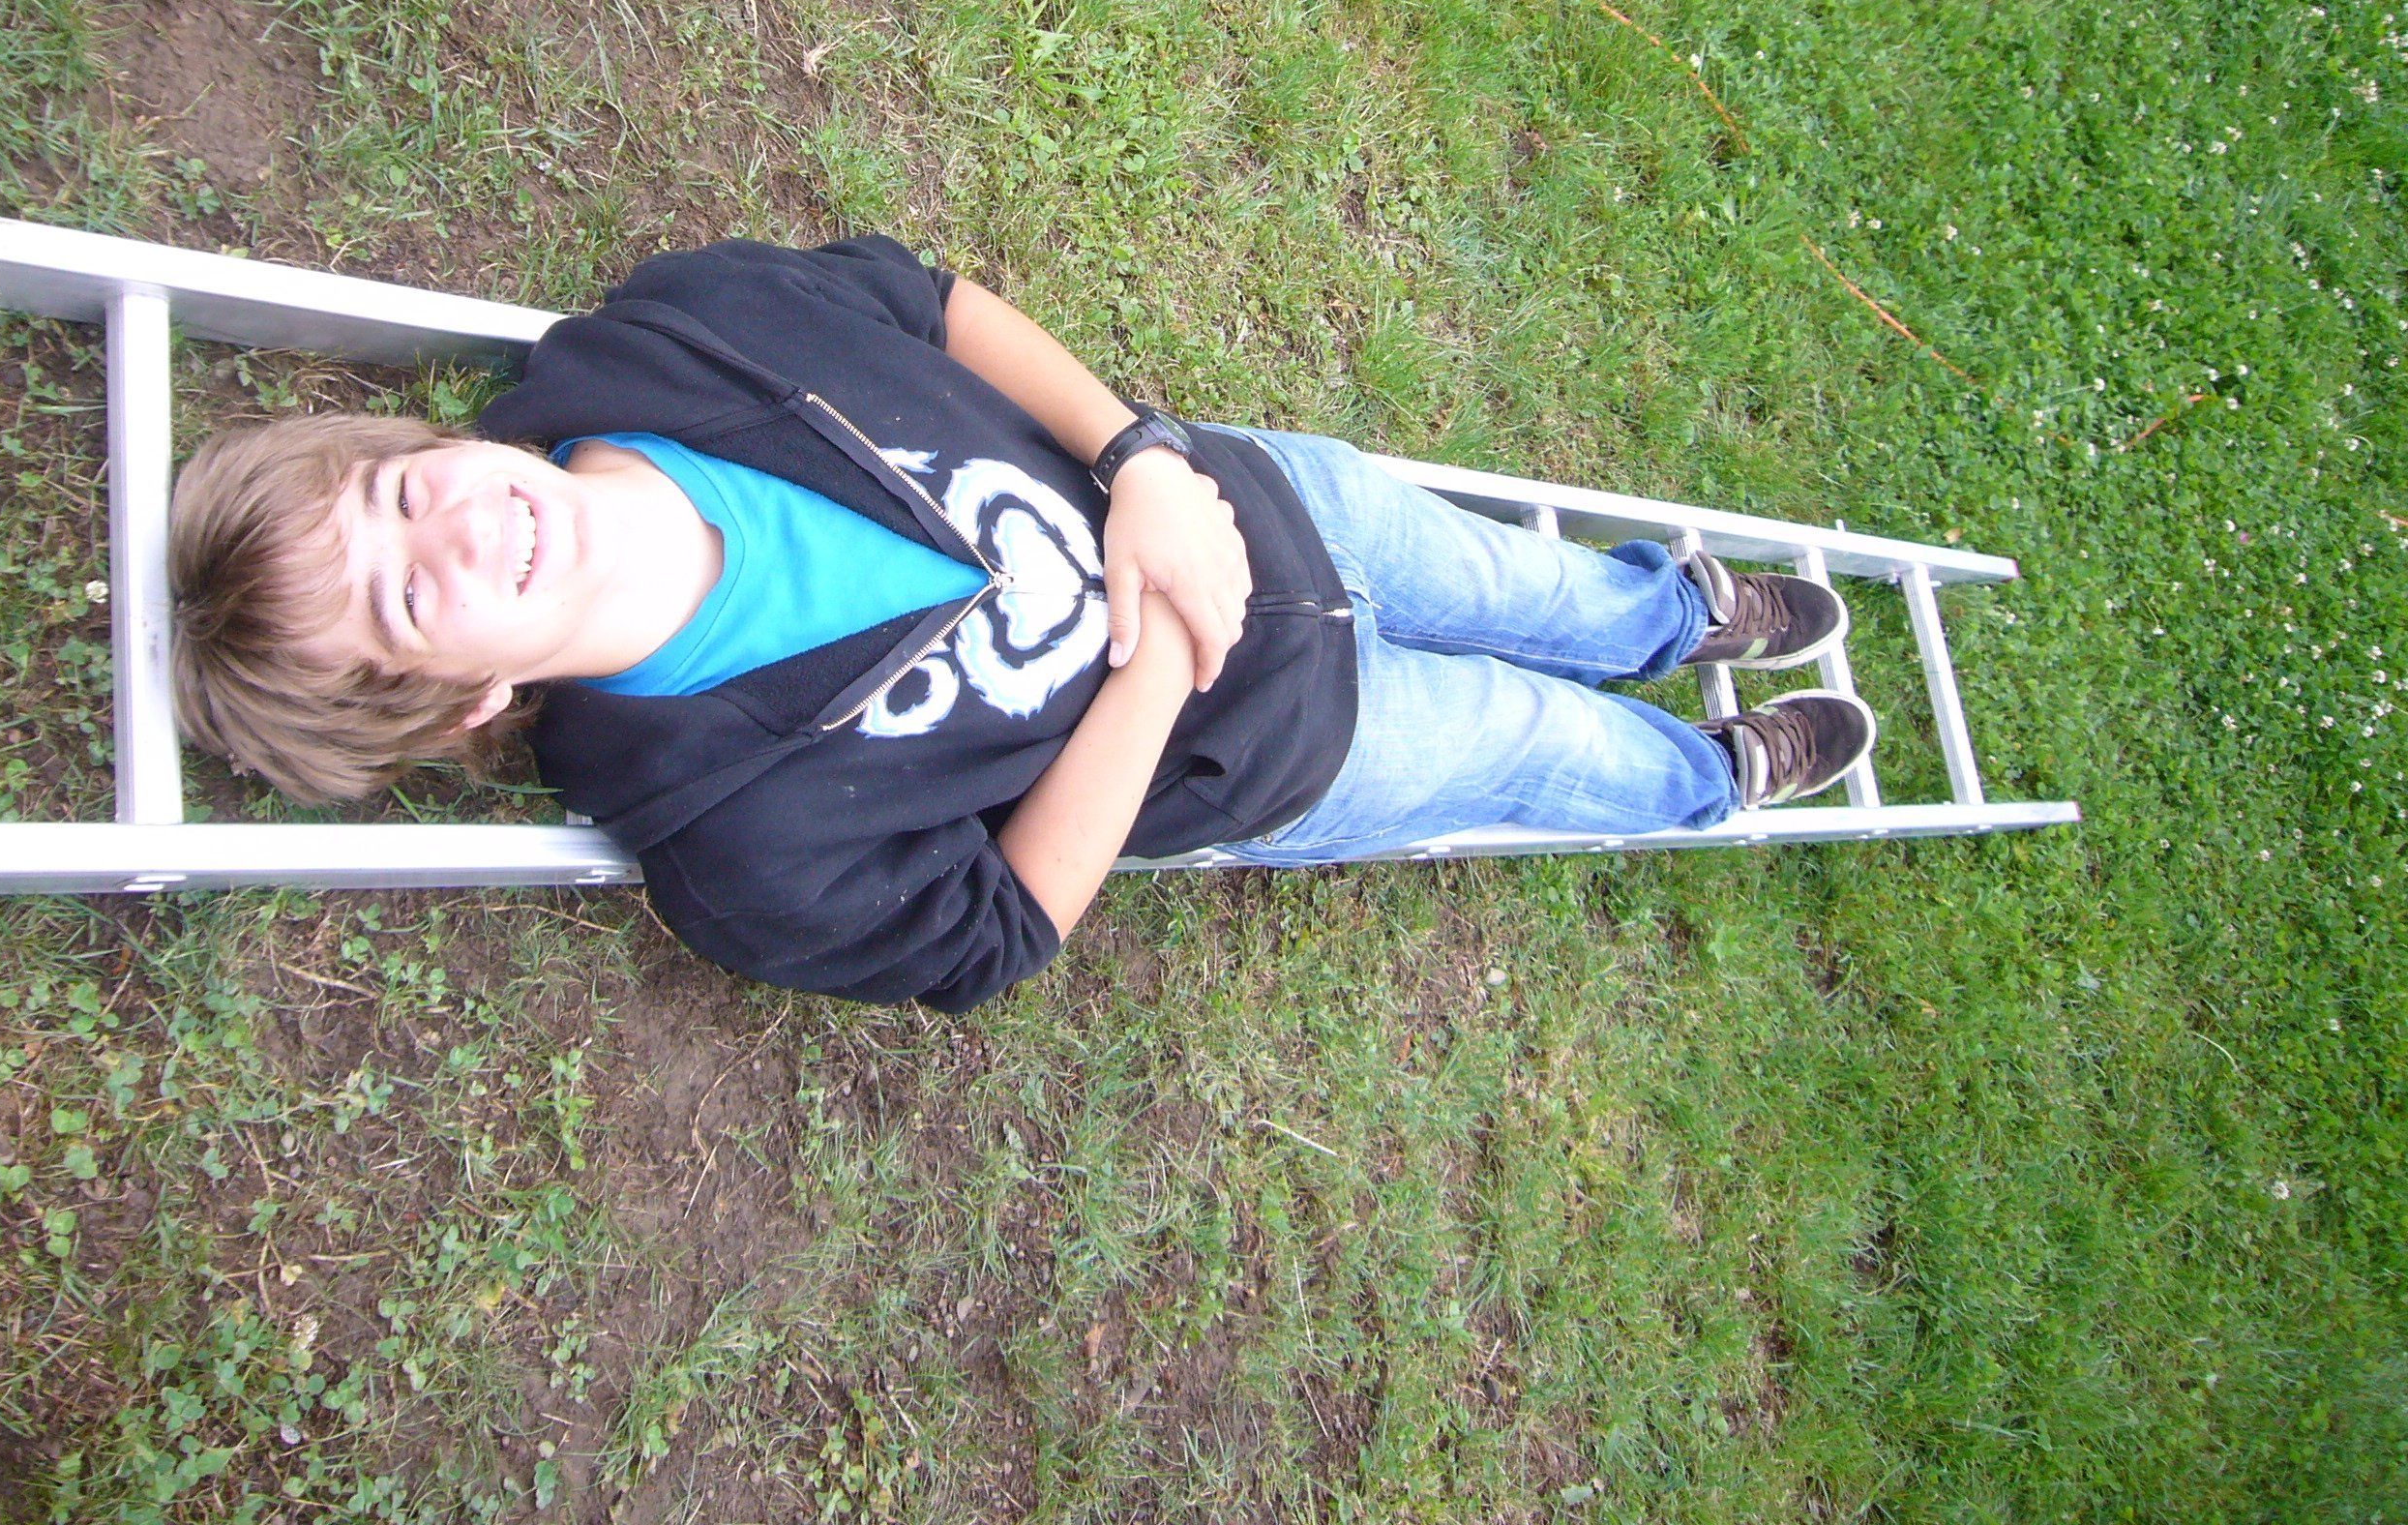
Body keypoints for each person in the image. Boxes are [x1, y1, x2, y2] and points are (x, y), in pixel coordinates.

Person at [169, 236, 1874, 1013]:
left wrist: (1141, 461)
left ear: (421, 444)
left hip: (1264, 500)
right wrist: (1162, 667)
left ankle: (1666, 612)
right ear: (460, 702)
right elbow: (995, 932)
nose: (462, 530)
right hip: (1285, 745)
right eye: (412, 598)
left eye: (402, 494)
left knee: (1515, 581)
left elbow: (926, 303)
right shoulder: (730, 845)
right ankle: (1700, 779)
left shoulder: (661, 337)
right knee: (1523, 738)